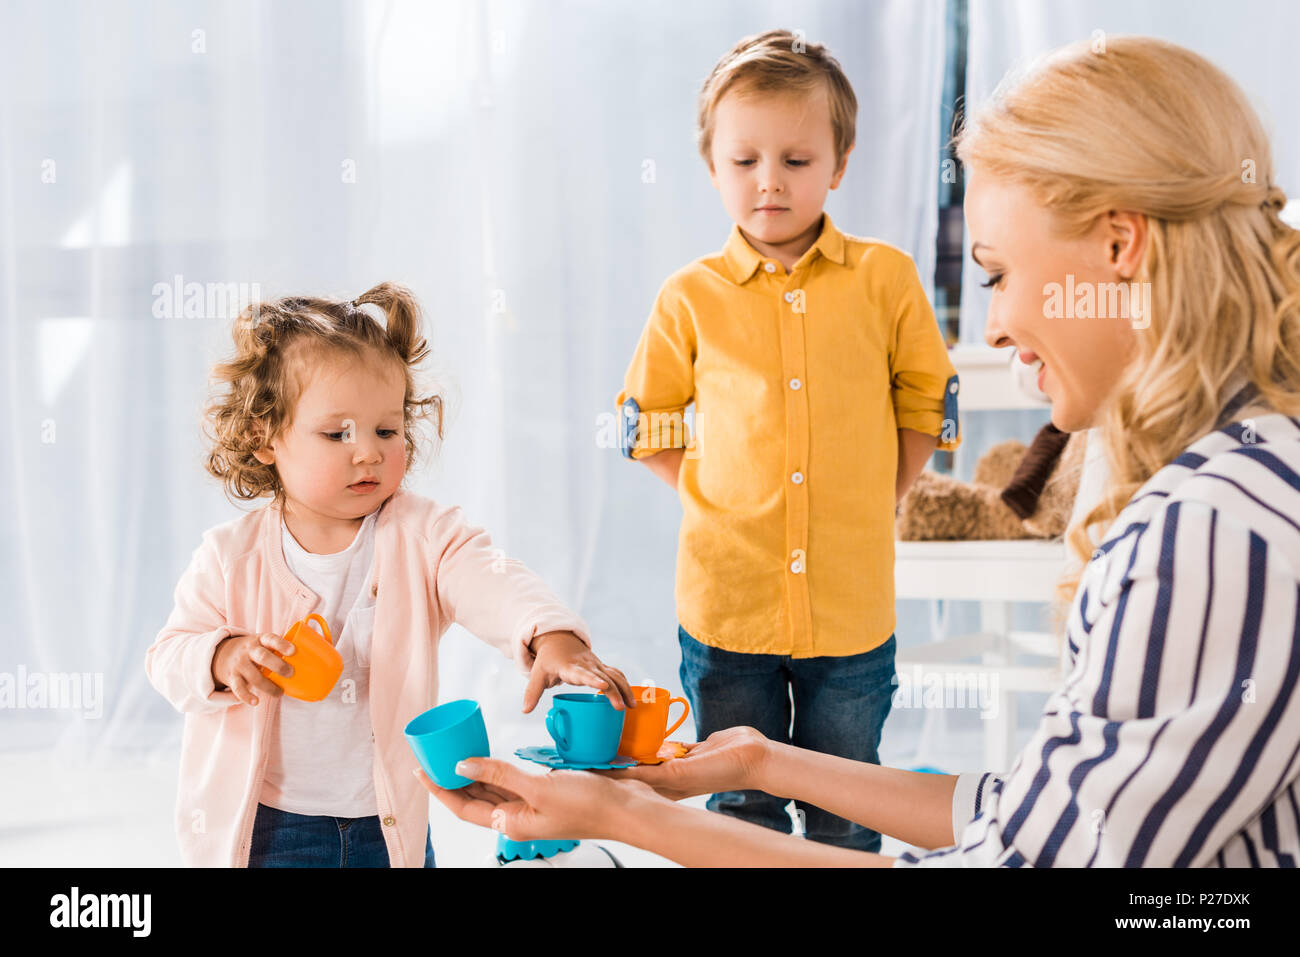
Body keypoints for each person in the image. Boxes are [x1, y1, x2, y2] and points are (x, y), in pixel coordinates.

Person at [420, 34, 1300, 867]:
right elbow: (1037, 809)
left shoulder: (1209, 534)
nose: (991, 325)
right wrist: (763, 761)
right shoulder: (1248, 479)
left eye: (994, 273)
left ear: (1118, 245)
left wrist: (627, 818)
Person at [612, 28, 961, 852]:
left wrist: (881, 494)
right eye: (745, 162)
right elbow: (648, 421)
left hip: (851, 608)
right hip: (726, 605)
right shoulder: (689, 295)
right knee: (738, 800)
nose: (770, 181)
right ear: (713, 167)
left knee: (850, 799)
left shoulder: (886, 278)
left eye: (797, 161)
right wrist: (717, 495)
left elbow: (925, 403)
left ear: (838, 165)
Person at [146, 282, 634, 867]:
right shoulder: (231, 556)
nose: (368, 453)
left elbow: (489, 578)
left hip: (388, 820)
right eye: (337, 433)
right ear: (264, 436)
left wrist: (548, 633)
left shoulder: (420, 534)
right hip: (271, 826)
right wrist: (224, 657)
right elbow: (169, 655)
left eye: (387, 430)